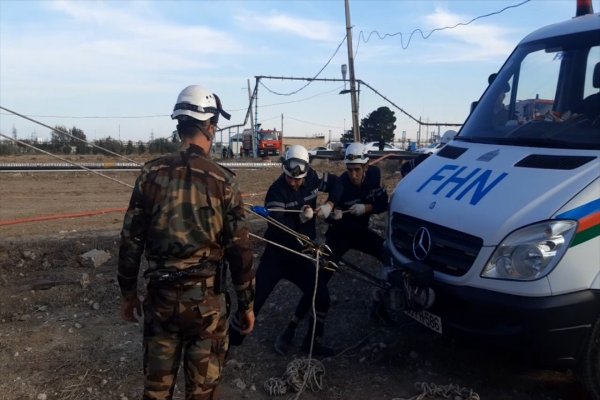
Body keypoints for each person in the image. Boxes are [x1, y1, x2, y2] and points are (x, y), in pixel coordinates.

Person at [118, 84, 256, 400]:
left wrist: (128, 294)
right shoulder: (224, 180)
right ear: (210, 126)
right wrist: (247, 303)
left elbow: (130, 241)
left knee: (156, 390)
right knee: (202, 392)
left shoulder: (150, 174)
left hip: (160, 302)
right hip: (206, 308)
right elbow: (239, 249)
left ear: (179, 124)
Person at [230, 144, 341, 357]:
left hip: (301, 256)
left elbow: (337, 183)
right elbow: (277, 227)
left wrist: (330, 204)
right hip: (277, 256)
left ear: (306, 172)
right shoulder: (276, 191)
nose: (294, 182)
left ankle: (313, 343)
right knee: (254, 302)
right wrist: (299, 219)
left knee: (322, 297)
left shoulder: (313, 178)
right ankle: (229, 343)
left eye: (298, 179)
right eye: (290, 177)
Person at [324, 142, 392, 324]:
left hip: (360, 232)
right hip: (339, 235)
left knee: (390, 258)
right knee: (322, 274)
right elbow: (327, 216)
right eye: (349, 170)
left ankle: (379, 307)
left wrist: (367, 208)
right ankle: (295, 323)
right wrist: (333, 215)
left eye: (357, 170)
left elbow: (383, 204)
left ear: (366, 167)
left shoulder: (375, 176)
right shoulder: (341, 183)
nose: (353, 175)